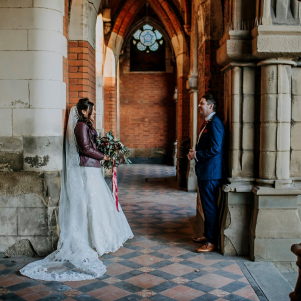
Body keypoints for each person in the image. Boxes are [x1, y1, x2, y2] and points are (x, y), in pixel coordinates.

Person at [20, 98, 133, 281]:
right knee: (92, 203)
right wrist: (104, 156)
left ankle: (100, 239)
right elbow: (85, 148)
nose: (94, 113)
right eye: (92, 110)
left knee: (97, 203)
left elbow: (91, 144)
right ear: (83, 111)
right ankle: (94, 240)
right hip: (86, 168)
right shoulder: (80, 126)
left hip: (92, 167)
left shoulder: (85, 125)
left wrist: (105, 146)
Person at [188, 94, 225, 253]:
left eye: (202, 103)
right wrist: (195, 153)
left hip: (211, 173)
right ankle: (207, 235)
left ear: (211, 106)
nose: (199, 106)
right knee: (207, 205)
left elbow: (216, 149)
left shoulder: (215, 123)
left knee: (210, 207)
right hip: (206, 171)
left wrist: (197, 155)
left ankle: (211, 241)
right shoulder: (208, 122)